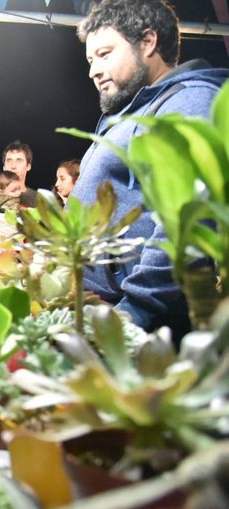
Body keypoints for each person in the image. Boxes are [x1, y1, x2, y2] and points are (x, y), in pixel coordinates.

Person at [72, 0, 228, 337]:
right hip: (101, 309)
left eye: (105, 53)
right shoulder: (138, 110)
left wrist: (133, 312)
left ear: (148, 42)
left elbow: (188, 223)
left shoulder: (187, 102)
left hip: (144, 328)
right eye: (90, 59)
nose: (93, 70)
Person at [2, 140, 37, 207]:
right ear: (4, 167)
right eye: (9, 161)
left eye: (19, 161)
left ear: (28, 166)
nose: (13, 166)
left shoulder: (38, 201)